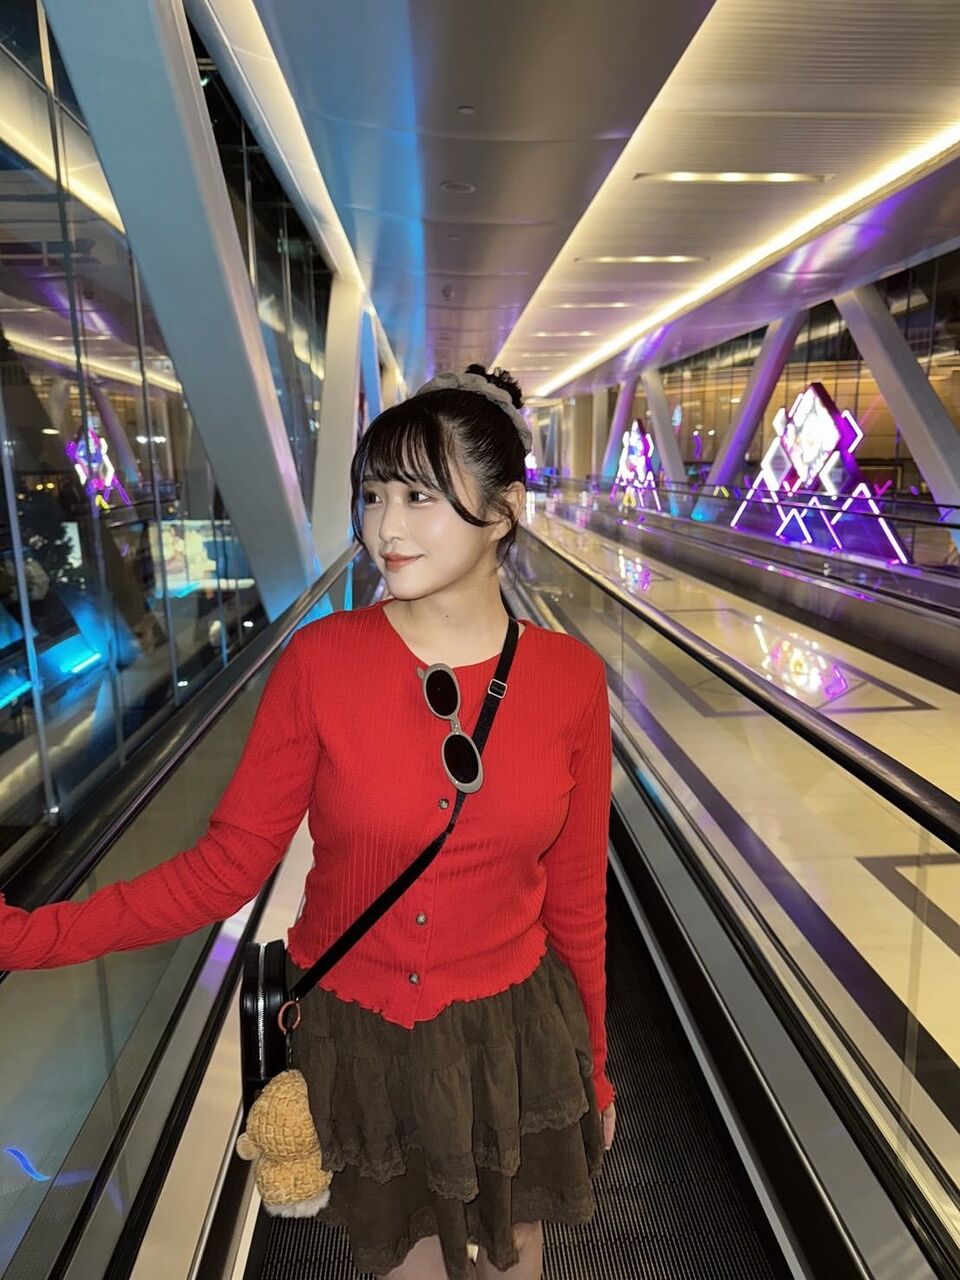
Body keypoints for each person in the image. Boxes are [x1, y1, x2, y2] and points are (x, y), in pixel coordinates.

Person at [0, 364, 617, 1280]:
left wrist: (593, 1068)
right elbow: (223, 869)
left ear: (505, 510)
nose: (385, 527)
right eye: (373, 495)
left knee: (512, 1261)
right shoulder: (321, 663)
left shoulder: (569, 680)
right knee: (403, 1262)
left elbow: (576, 903)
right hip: (365, 1038)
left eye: (419, 496)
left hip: (511, 1040)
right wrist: (27, 937)